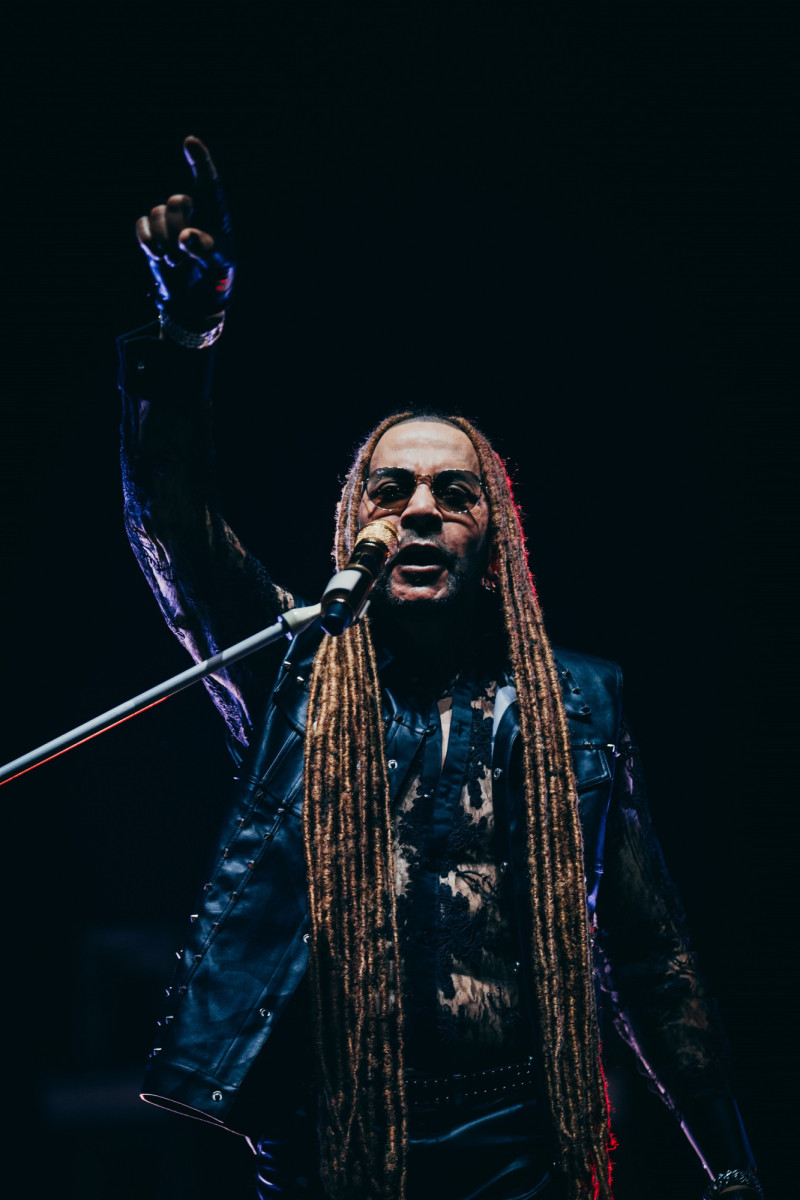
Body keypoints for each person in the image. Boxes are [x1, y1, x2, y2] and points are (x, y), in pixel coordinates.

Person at [119, 137, 762, 1200]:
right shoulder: (296, 668)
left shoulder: (577, 702)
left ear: (492, 537)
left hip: (526, 1138)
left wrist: (728, 1164)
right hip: (329, 1136)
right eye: (390, 489)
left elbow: (654, 962)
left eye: (451, 492)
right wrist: (187, 333)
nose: (417, 508)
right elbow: (175, 536)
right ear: (352, 523)